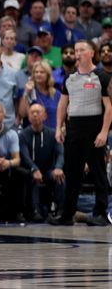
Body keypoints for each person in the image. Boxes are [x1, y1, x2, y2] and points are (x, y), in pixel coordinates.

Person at [49, 40, 111, 226]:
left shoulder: (102, 76)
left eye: (82, 50)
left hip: (93, 128)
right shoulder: (69, 78)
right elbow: (62, 104)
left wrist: (104, 132)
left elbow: (109, 107)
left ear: (92, 53)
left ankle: (100, 213)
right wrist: (59, 126)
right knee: (72, 172)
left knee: (98, 172)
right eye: (76, 50)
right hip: (73, 128)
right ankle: (67, 214)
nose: (78, 53)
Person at [18, 104, 64, 221]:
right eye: (32, 112)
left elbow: (60, 153)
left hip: (48, 170)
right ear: (28, 117)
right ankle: (35, 211)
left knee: (59, 177)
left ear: (45, 116)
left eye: (38, 112)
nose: (35, 115)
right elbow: (25, 156)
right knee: (33, 177)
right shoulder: (23, 135)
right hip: (31, 169)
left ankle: (61, 210)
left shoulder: (53, 134)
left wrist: (58, 167)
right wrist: (34, 169)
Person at [17, 61, 61, 129]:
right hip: (34, 134)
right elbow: (22, 114)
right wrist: (26, 92)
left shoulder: (56, 94)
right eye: (36, 72)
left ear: (48, 75)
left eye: (42, 72)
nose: (38, 74)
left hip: (52, 134)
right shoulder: (29, 92)